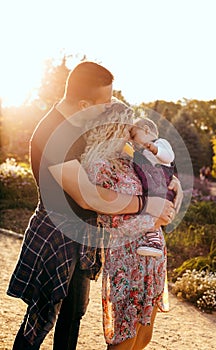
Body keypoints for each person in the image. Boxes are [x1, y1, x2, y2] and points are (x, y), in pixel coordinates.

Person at [7, 61, 181, 350]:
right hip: (57, 234)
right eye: (105, 103)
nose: (110, 107)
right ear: (86, 103)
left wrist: (164, 174)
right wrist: (147, 204)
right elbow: (88, 196)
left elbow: (122, 131)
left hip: (84, 234)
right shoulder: (54, 134)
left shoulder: (83, 119)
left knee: (74, 315)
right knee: (40, 318)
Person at [79, 100, 175, 349]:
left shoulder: (131, 160)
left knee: (144, 337)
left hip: (153, 255)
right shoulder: (99, 166)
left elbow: (163, 185)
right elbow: (108, 218)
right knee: (125, 338)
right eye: (126, 128)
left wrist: (175, 196)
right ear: (111, 128)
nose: (131, 134)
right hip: (126, 258)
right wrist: (154, 217)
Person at [129, 117, 176, 258]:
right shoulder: (144, 151)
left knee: (155, 216)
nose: (133, 141)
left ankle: (154, 245)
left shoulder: (161, 143)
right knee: (150, 216)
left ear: (146, 130)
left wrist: (155, 149)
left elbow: (169, 157)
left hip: (161, 186)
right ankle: (153, 243)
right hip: (152, 187)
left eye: (134, 136)